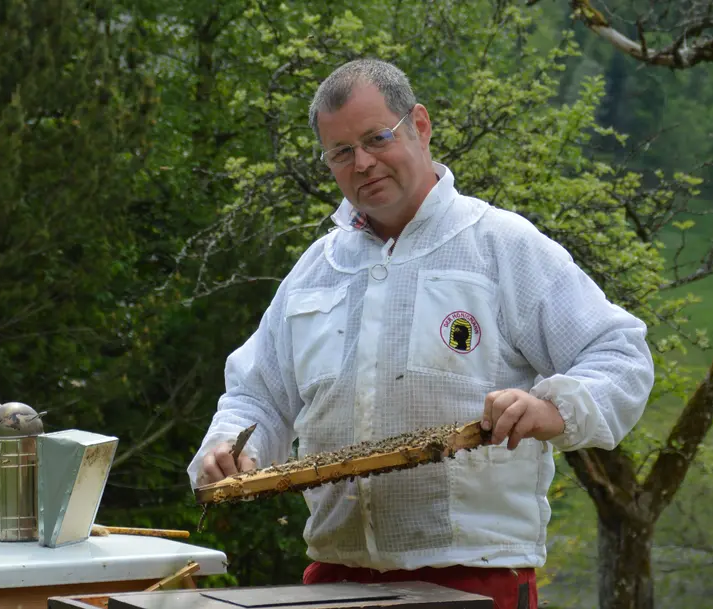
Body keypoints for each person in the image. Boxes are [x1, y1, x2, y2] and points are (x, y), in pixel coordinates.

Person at [188, 59, 654, 608]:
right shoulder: (317, 269)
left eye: (376, 138)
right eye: (341, 152)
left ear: (420, 126)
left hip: (475, 580)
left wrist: (551, 408)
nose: (362, 163)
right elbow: (257, 394)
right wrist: (229, 446)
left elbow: (620, 354)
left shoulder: (501, 245)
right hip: (335, 579)